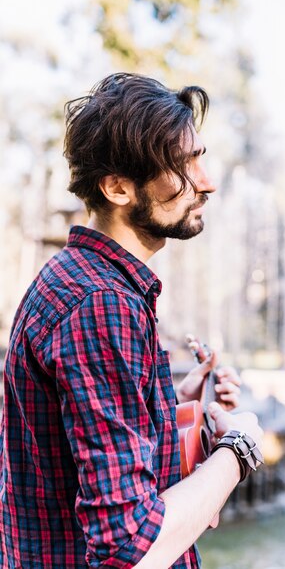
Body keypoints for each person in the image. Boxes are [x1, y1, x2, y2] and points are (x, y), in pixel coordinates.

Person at [0, 73, 263, 569]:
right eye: (184, 166)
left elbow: (70, 447)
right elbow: (130, 547)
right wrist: (241, 446)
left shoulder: (78, 279)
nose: (206, 183)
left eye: (200, 157)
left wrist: (173, 405)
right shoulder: (100, 303)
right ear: (119, 187)